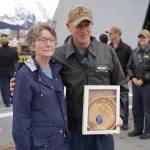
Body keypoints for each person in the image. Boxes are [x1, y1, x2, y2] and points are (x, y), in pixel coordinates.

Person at [11, 5, 128, 150]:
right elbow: (38, 71)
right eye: (79, 25)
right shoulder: (58, 55)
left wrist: (120, 114)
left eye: (87, 25)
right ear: (69, 26)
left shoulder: (107, 52)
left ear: (92, 25)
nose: (84, 30)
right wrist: (18, 83)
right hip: (74, 133)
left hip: (103, 131)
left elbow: (122, 86)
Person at [12, 23, 71, 150]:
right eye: (43, 40)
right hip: (42, 146)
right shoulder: (25, 75)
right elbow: (20, 119)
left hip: (62, 143)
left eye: (52, 40)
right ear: (32, 45)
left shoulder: (57, 70)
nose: (48, 44)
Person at [107, 26, 132, 130]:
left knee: (124, 101)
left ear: (117, 34)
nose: (110, 35)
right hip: (110, 79)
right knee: (111, 101)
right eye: (109, 33)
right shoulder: (107, 47)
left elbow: (130, 63)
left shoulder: (127, 48)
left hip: (122, 80)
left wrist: (128, 77)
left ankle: (125, 122)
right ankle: (111, 120)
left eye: (111, 33)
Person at [127, 29, 150, 139]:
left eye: (144, 37)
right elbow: (129, 67)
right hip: (136, 84)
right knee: (136, 108)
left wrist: (143, 80)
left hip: (147, 85)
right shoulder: (134, 51)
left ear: (148, 39)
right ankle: (138, 129)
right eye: (140, 37)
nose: (142, 39)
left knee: (147, 109)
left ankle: (148, 131)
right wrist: (132, 78)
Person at [0, 34, 18, 107]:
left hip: (2, 71)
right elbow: (16, 59)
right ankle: (13, 100)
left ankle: (7, 102)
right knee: (13, 85)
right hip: (11, 70)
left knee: (5, 86)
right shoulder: (13, 50)